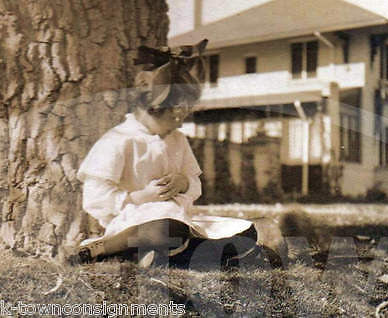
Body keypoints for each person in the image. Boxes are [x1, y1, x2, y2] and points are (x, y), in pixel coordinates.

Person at [71, 40, 272, 268]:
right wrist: (137, 197)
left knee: (247, 231)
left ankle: (163, 257)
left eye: (183, 114)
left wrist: (183, 182)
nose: (179, 121)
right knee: (163, 230)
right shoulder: (119, 140)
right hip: (137, 223)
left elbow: (195, 183)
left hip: (180, 221)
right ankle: (105, 248)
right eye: (174, 115)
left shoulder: (178, 140)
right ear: (151, 109)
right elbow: (95, 197)